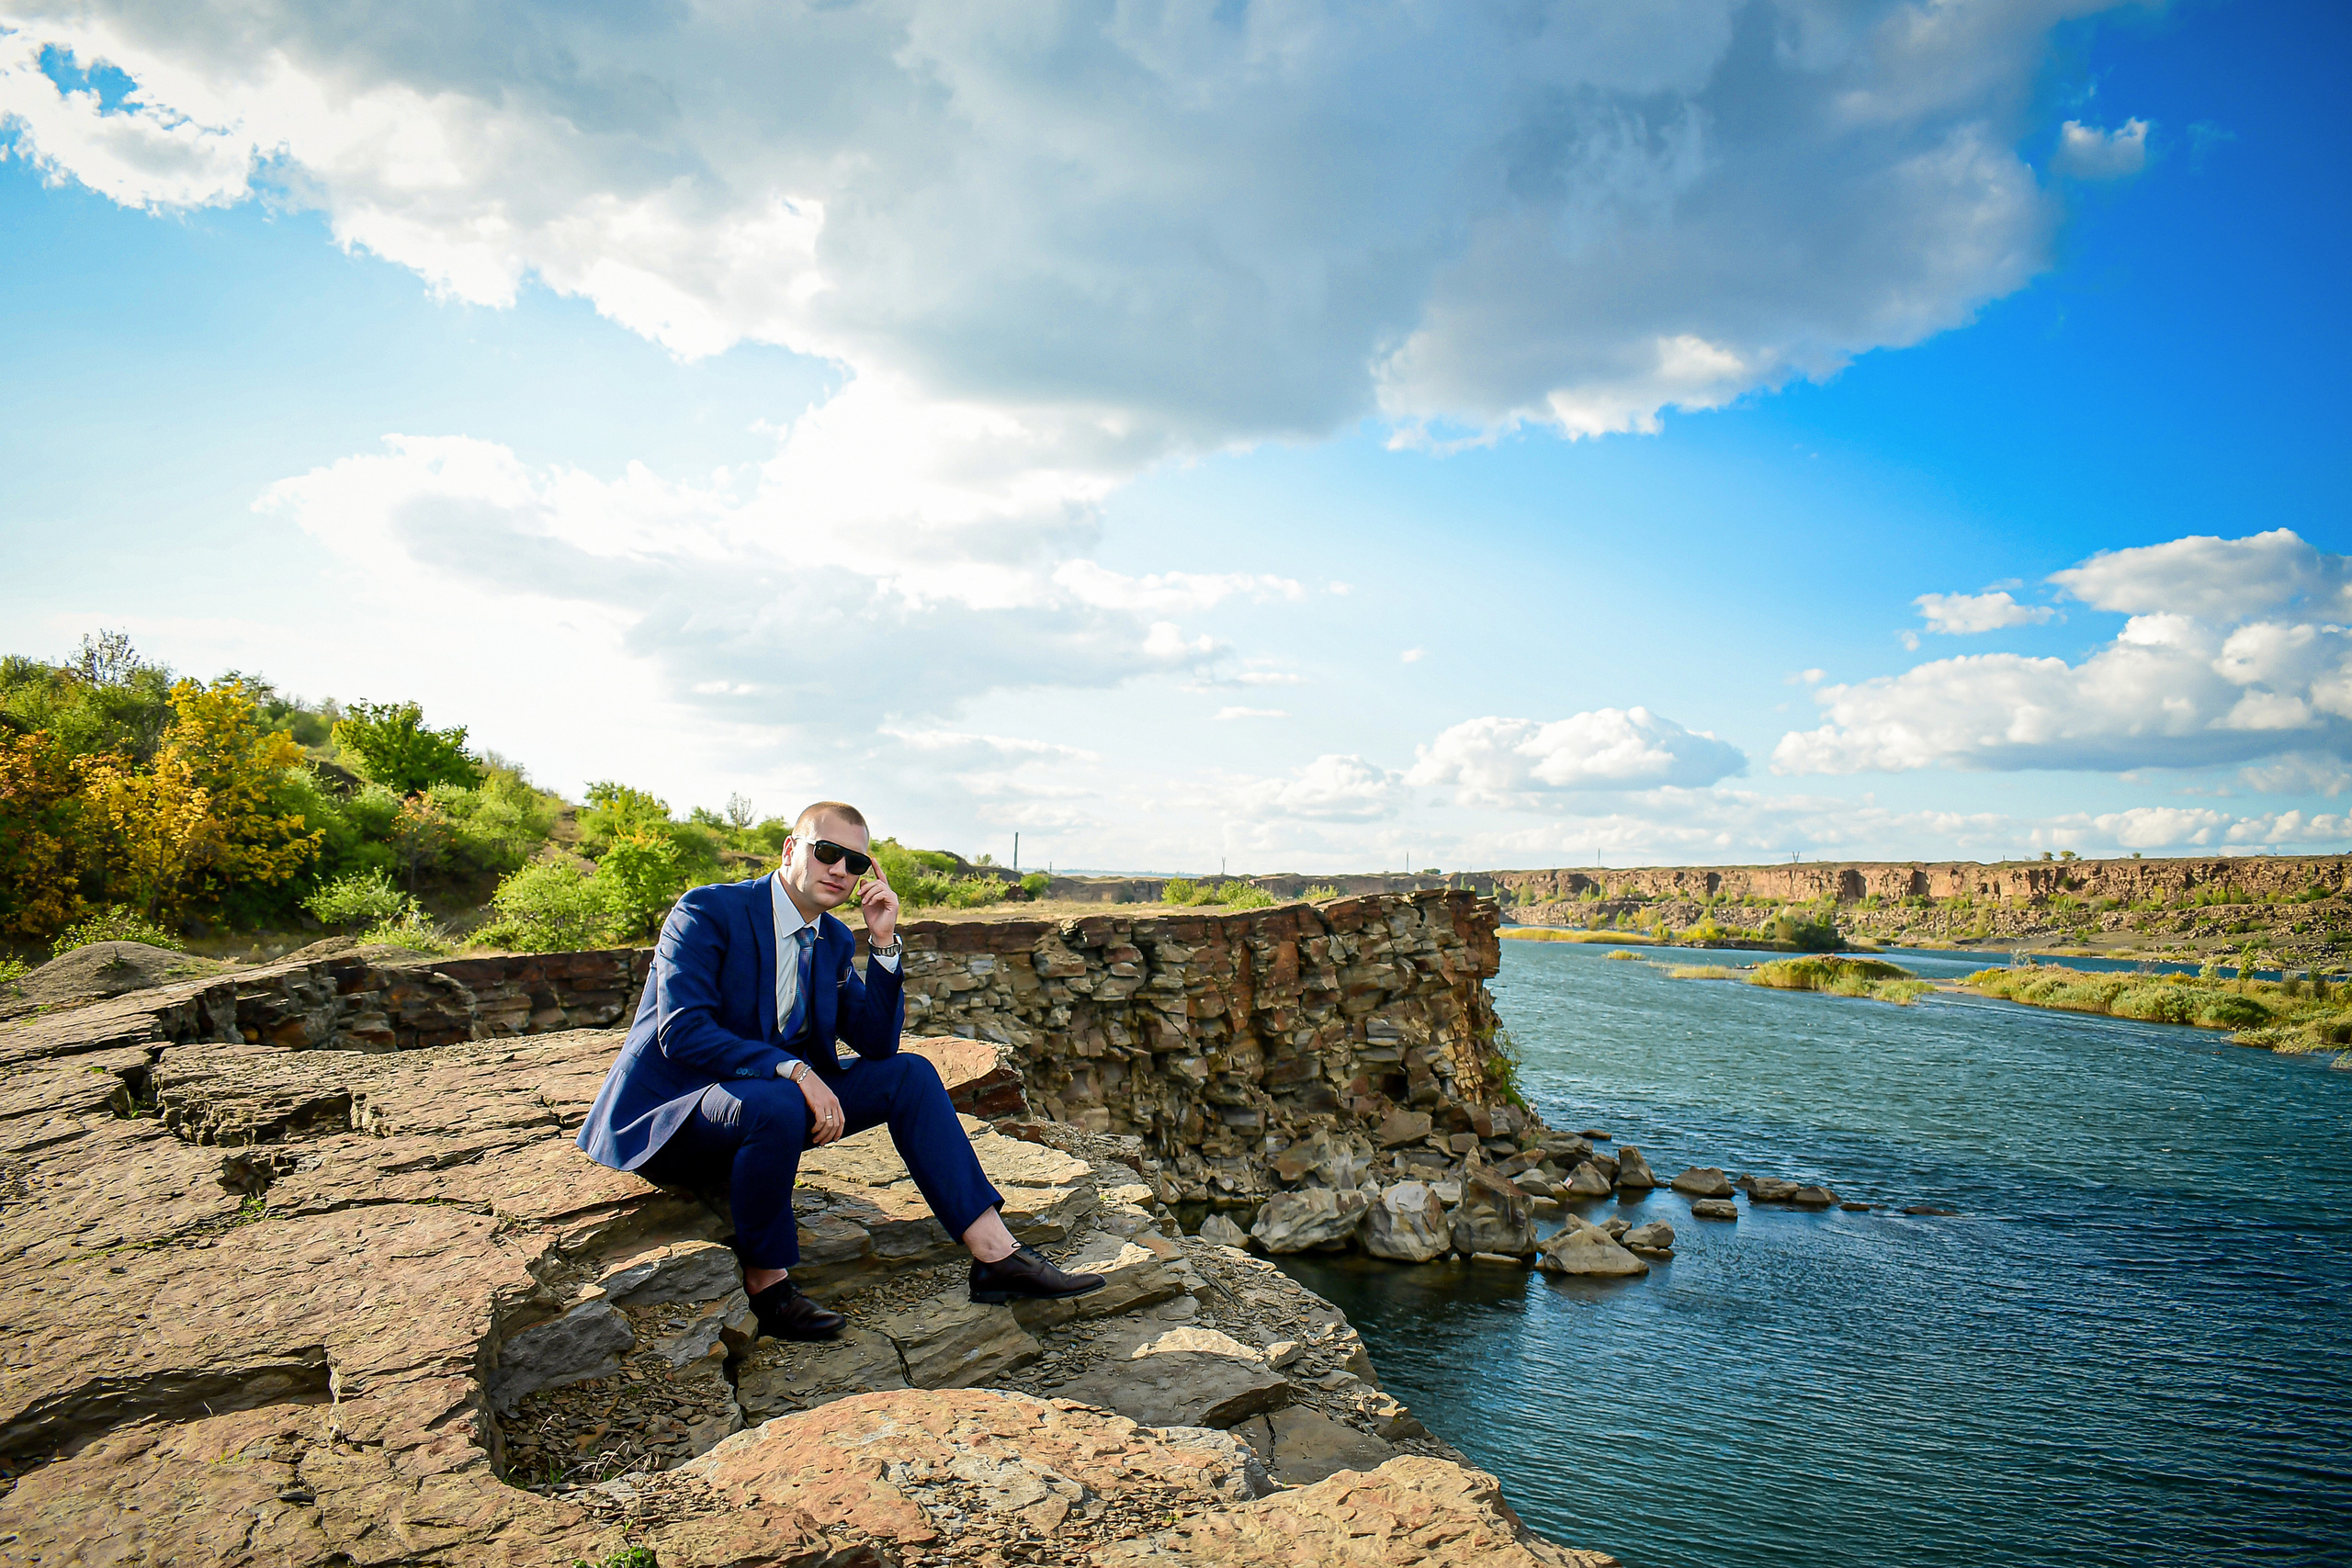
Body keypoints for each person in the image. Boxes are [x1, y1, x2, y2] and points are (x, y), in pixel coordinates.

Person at [576, 799, 1102, 1340]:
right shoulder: (708, 911)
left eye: (855, 863)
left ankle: (996, 1255)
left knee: (911, 1075)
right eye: (827, 852)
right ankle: (768, 1282)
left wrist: (882, 941)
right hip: (678, 1114)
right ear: (791, 849)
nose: (840, 871)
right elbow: (682, 1031)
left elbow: (876, 1042)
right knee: (780, 1099)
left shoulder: (829, 939)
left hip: (759, 1112)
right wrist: (796, 1072)